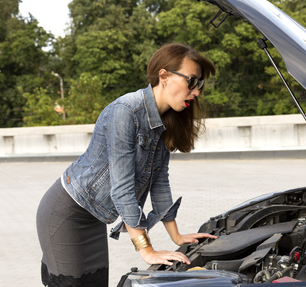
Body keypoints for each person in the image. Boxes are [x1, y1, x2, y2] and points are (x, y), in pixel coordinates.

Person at [36, 43, 217, 287]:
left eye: (200, 85)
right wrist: (146, 250)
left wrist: (176, 235)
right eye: (192, 81)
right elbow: (122, 188)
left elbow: (160, 181)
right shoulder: (126, 111)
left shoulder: (165, 121)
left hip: (94, 219)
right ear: (163, 76)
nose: (196, 92)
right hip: (66, 214)